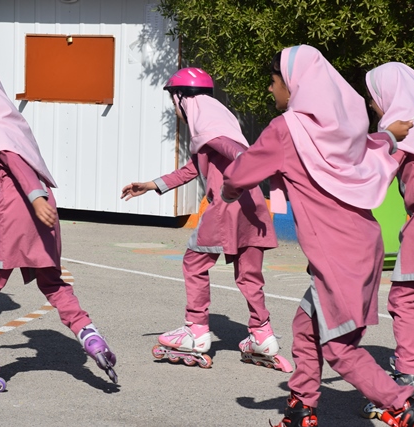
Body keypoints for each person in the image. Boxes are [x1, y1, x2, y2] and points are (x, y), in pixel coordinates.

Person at [221, 45, 414, 426]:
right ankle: (302, 406)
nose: (270, 88)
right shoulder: (343, 127)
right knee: (305, 325)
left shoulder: (286, 129)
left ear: (294, 84)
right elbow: (373, 150)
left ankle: (404, 406)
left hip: (337, 253)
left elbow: (238, 173)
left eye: (274, 81)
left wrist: (229, 192)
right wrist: (390, 136)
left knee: (339, 348)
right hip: (363, 243)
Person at [0, 71, 117, 390]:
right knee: (53, 283)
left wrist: (34, 199)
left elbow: (16, 165)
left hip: (18, 211)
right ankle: (90, 336)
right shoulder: (14, 126)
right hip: (42, 208)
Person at [121, 67, 291, 372]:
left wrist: (247, 161)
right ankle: (262, 335)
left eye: (173, 101)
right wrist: (151, 185)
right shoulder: (215, 125)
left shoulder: (212, 132)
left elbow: (236, 152)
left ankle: (196, 330)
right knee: (249, 275)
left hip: (227, 206)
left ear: (182, 98)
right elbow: (192, 169)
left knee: (194, 263)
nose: (174, 108)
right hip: (254, 206)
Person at [366, 62, 414, 394]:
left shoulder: (403, 129)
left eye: (374, 96)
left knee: (404, 298)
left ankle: (408, 375)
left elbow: (373, 172)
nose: (371, 103)